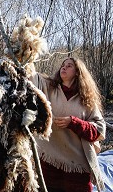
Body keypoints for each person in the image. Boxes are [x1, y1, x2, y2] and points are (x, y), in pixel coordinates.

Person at [29, 57, 106, 192]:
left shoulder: (86, 98)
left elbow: (100, 130)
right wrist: (27, 52)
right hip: (50, 159)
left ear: (77, 73)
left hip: (78, 165)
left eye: (69, 66)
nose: (63, 67)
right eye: (63, 65)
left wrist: (74, 123)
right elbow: (31, 77)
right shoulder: (49, 87)